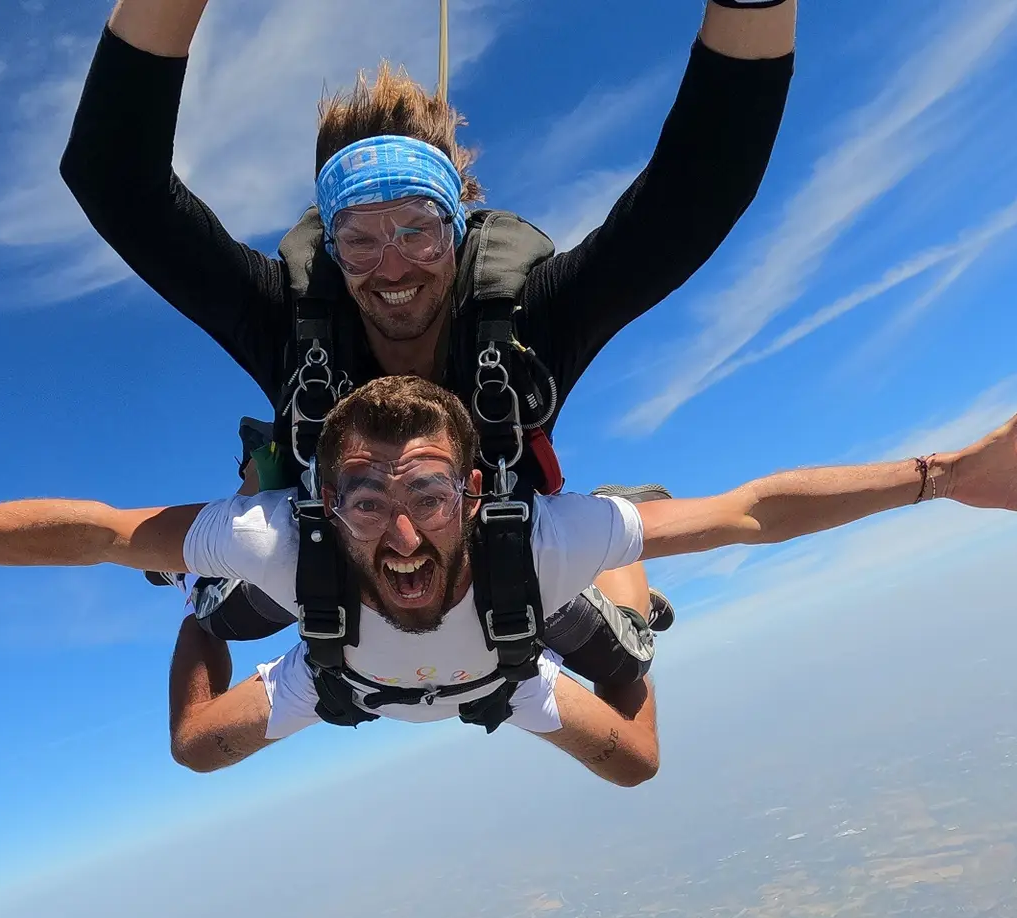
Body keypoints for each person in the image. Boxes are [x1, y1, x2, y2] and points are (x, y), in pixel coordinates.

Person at [0, 378, 1017, 787]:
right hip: (348, 680)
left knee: (639, 766)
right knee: (195, 747)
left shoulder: (530, 539)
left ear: (474, 490)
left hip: (496, 673)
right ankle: (203, 624)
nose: (398, 527)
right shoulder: (283, 549)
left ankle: (623, 620)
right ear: (321, 501)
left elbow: (751, 510)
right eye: (364, 496)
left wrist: (944, 477)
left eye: (427, 491)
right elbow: (82, 527)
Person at [57, 0, 800, 716]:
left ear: (459, 222)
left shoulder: (527, 321)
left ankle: (619, 535)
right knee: (220, 614)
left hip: (497, 547)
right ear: (329, 243)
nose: (391, 269)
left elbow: (696, 192)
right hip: (337, 542)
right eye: (358, 239)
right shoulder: (288, 321)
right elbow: (115, 182)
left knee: (622, 659)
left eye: (418, 230)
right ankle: (252, 491)